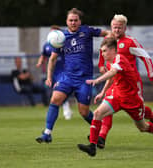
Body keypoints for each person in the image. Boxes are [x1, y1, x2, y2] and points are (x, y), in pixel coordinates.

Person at [35, 8, 112, 143]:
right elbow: (52, 59)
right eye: (71, 20)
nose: (73, 22)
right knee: (55, 100)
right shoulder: (61, 38)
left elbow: (107, 33)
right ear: (67, 21)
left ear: (79, 21)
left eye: (76, 20)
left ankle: (99, 132)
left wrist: (113, 39)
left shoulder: (87, 31)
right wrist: (49, 77)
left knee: (83, 112)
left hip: (84, 79)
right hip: (67, 77)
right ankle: (47, 134)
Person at [77, 37, 153, 157]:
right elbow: (112, 77)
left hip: (131, 99)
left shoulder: (120, 59)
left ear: (113, 50)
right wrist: (102, 92)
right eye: (102, 51)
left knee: (143, 128)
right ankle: (92, 146)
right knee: (97, 113)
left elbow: (112, 72)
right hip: (117, 96)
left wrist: (97, 80)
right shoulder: (109, 62)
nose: (102, 54)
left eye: (104, 51)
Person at [95, 14, 153, 149]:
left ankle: (150, 115)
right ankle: (101, 137)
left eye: (119, 28)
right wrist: (101, 65)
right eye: (114, 27)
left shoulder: (130, 42)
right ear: (111, 27)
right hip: (115, 82)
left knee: (138, 111)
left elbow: (145, 56)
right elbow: (101, 57)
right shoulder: (107, 41)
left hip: (131, 84)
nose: (116, 30)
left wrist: (151, 73)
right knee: (105, 106)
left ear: (125, 28)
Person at [36, 25, 73, 120]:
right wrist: (40, 61)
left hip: (64, 71)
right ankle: (63, 108)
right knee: (56, 92)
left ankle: (66, 109)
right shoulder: (47, 45)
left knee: (60, 90)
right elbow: (44, 55)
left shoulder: (65, 44)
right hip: (53, 72)